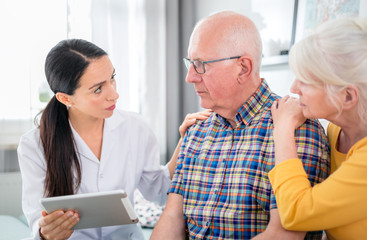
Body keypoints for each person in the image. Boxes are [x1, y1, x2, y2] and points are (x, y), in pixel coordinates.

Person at [150, 11, 330, 240]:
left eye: (200, 65)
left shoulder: (297, 130)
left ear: (243, 68)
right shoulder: (195, 131)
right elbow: (172, 218)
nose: (190, 77)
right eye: (190, 63)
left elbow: (285, 236)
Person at [17, 39, 211, 240]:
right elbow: (37, 222)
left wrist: (184, 143)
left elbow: (160, 192)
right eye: (98, 89)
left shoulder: (136, 127)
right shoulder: (33, 145)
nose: (114, 94)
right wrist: (47, 232)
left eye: (112, 78)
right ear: (66, 99)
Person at [269, 18, 367, 240]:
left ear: (348, 96)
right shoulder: (335, 129)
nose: (294, 88)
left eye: (305, 80)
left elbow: (296, 214)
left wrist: (282, 129)